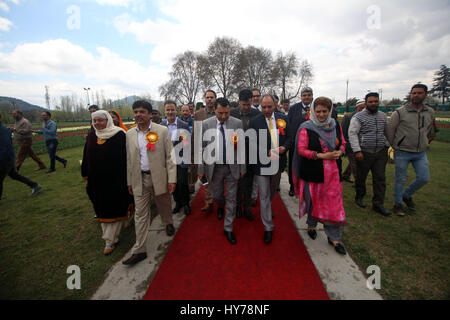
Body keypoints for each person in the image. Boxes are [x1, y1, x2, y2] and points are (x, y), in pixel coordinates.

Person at [123, 100, 176, 266]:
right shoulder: (130, 134)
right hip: (139, 179)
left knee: (164, 205)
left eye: (142, 112)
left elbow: (170, 156)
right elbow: (129, 160)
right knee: (140, 215)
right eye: (136, 112)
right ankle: (140, 250)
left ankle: (168, 222)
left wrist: (172, 179)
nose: (138, 114)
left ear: (149, 114)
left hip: (159, 177)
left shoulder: (162, 131)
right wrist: (130, 181)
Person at [292, 97, 347, 255]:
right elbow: (301, 150)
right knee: (313, 201)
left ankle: (334, 237)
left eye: (325, 111)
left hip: (333, 174)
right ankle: (311, 225)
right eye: (318, 111)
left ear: (329, 111)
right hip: (313, 172)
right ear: (313, 112)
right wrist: (322, 156)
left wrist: (340, 151)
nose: (322, 114)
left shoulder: (335, 125)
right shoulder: (306, 127)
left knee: (333, 204)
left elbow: (343, 142)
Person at [81, 110, 131, 255]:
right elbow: (86, 157)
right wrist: (85, 174)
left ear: (107, 120)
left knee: (114, 208)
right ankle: (109, 238)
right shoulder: (91, 136)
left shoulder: (120, 135)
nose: (97, 123)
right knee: (101, 208)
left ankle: (110, 240)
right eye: (94, 121)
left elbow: (128, 157)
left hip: (116, 180)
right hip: (97, 182)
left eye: (100, 120)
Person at [198, 98, 245, 244]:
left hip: (232, 167)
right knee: (217, 195)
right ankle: (220, 206)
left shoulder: (237, 123)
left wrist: (243, 167)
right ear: (215, 110)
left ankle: (228, 227)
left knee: (232, 197)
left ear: (229, 110)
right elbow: (201, 147)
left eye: (226, 113)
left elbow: (241, 147)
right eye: (220, 113)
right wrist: (201, 169)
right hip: (215, 168)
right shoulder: (206, 124)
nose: (223, 116)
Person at [387, 84, 435, 216]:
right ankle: (398, 204)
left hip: (420, 152)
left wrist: (424, 141)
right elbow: (390, 130)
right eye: (414, 93)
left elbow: (428, 128)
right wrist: (395, 144)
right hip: (402, 151)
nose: (416, 95)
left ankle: (406, 195)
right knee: (400, 179)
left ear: (425, 94)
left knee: (424, 178)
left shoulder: (429, 112)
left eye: (419, 93)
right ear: (410, 94)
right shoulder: (400, 112)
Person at [249, 94, 289, 244]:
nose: (266, 110)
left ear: (275, 106)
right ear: (260, 106)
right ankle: (268, 227)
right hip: (262, 165)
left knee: (271, 192)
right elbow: (251, 142)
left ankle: (267, 209)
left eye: (269, 107)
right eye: (263, 107)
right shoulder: (255, 121)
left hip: (278, 164)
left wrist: (285, 147)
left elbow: (290, 137)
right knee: (264, 195)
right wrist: (265, 152)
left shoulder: (283, 119)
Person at [348, 93, 390, 216]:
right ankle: (359, 197)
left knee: (380, 178)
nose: (373, 103)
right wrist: (357, 150)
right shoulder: (358, 117)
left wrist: (387, 144)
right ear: (366, 103)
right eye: (370, 101)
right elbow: (353, 133)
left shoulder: (383, 116)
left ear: (378, 102)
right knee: (361, 177)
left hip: (380, 152)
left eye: (376, 101)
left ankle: (378, 203)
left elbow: (387, 131)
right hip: (364, 152)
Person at [230, 89, 261, 221]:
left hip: (251, 154)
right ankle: (237, 207)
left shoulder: (256, 114)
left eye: (248, 104)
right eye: (244, 105)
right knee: (236, 182)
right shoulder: (231, 114)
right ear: (239, 102)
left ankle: (247, 207)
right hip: (235, 154)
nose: (246, 107)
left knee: (248, 183)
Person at [161, 101, 192, 215]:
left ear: (176, 110)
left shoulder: (183, 125)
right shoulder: (161, 126)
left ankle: (186, 203)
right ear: (164, 111)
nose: (170, 112)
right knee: (172, 183)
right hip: (168, 161)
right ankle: (178, 203)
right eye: (168, 110)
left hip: (181, 159)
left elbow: (186, 144)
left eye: (172, 109)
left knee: (182, 183)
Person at [1, 116, 42, 200]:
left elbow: (26, 131)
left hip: (4, 157)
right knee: (14, 175)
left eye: (15, 114)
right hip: (9, 156)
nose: (13, 115)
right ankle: (34, 185)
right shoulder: (5, 129)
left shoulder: (24, 122)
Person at [287, 87, 314, 197]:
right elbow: (288, 124)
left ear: (312, 96)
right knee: (294, 165)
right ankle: (293, 187)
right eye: (304, 95)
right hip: (295, 143)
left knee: (309, 166)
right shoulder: (294, 108)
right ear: (301, 96)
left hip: (312, 144)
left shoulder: (316, 107)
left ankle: (308, 188)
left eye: (309, 95)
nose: (307, 97)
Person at [194, 90, 217, 212]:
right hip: (205, 149)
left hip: (219, 149)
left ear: (215, 98)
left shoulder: (220, 111)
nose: (209, 99)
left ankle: (219, 199)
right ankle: (209, 201)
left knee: (218, 177)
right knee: (206, 177)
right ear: (204, 99)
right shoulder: (198, 114)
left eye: (211, 97)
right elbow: (197, 134)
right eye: (207, 97)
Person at [341, 101, 365, 183]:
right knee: (355, 165)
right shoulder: (348, 117)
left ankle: (345, 175)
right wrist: (345, 145)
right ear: (357, 107)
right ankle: (359, 183)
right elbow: (343, 132)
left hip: (361, 145)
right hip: (350, 145)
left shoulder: (366, 117)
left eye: (364, 108)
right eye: (361, 108)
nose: (363, 110)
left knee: (354, 162)